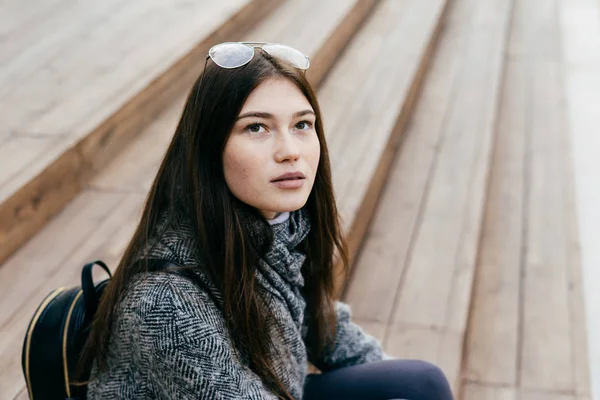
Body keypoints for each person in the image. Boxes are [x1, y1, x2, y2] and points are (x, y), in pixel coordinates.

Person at [80, 42, 454, 400]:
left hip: (272, 388)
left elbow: (318, 322)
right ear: (210, 149)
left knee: (422, 384)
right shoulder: (167, 304)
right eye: (256, 127)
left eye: (302, 125)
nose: (291, 152)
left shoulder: (275, 224)